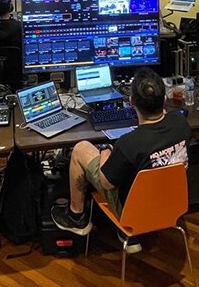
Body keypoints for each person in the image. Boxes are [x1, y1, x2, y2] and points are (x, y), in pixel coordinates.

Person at [51, 68, 191, 248]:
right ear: (164, 98)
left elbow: (106, 182)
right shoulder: (181, 123)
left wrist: (105, 150)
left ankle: (76, 216)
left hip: (135, 212)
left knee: (80, 149)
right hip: (172, 204)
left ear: (132, 101)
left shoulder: (129, 143)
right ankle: (129, 235)